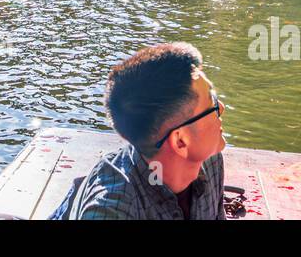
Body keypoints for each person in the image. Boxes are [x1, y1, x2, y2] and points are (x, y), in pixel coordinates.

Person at [51, 43, 228, 220]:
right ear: (181, 141)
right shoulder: (112, 209)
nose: (221, 107)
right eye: (211, 103)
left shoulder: (209, 161)